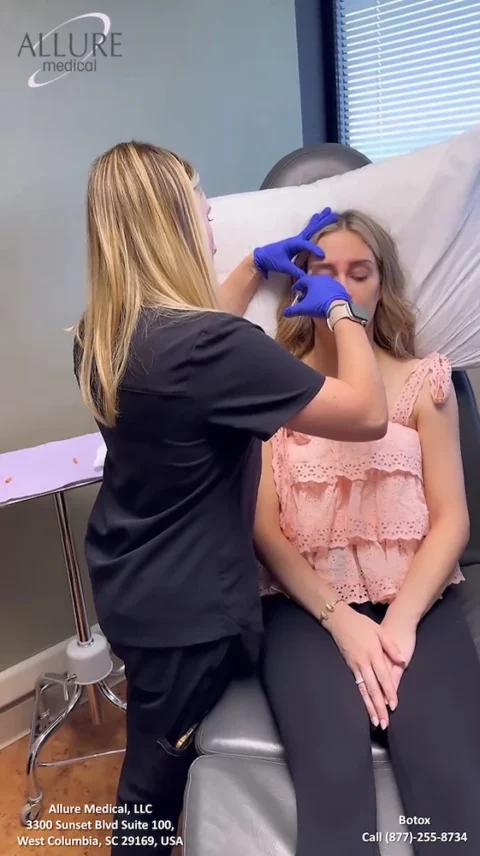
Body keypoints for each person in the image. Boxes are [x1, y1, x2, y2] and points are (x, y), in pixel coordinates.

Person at [73, 143, 390, 855]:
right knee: (152, 791)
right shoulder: (207, 349)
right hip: (187, 614)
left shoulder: (103, 331)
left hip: (131, 580)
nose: (211, 217)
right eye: (199, 204)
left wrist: (254, 268)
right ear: (170, 224)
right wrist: (343, 312)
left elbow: (191, 357)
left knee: (154, 761)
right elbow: (367, 413)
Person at [254, 209, 480, 856]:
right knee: (334, 786)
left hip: (417, 597)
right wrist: (341, 620)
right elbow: (264, 529)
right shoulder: (271, 385)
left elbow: (452, 519)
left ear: (383, 285)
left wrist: (400, 622)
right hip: (304, 607)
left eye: (359, 273)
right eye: (323, 273)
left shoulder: (422, 380)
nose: (342, 289)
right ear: (300, 287)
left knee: (455, 791)